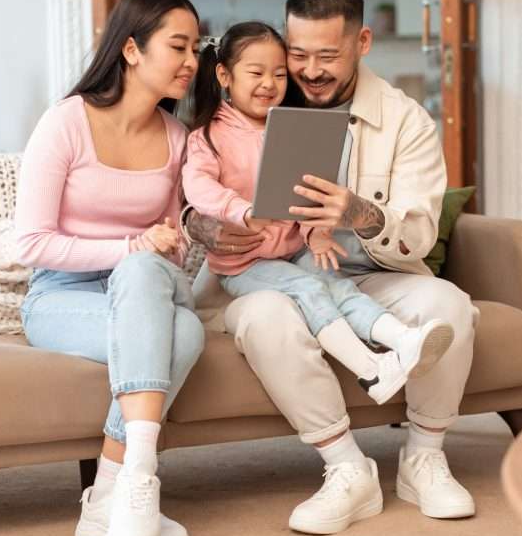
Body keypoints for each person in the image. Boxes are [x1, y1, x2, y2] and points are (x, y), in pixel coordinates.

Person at [183, 0, 479, 535]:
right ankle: (347, 468)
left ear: (362, 42)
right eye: (297, 55)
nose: (307, 72)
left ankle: (423, 458)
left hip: (373, 273)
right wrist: (202, 226)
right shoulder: (254, 96)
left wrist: (356, 213)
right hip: (268, 277)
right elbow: (186, 190)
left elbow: (416, 236)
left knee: (450, 304)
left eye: (328, 56)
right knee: (271, 316)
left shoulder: (404, 119)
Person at [14, 0, 204, 536]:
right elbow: (31, 243)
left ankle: (124, 491)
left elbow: (168, 251)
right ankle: (121, 494)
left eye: (197, 48)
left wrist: (184, 238)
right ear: (130, 49)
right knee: (187, 332)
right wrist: (129, 245)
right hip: (61, 297)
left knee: (146, 274)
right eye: (178, 46)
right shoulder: (65, 123)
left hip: (142, 288)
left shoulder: (177, 140)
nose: (192, 62)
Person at [182, 20, 454, 407]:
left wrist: (315, 234)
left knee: (334, 282)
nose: (269, 83)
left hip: (292, 248)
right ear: (224, 75)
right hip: (243, 263)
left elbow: (301, 191)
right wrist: (240, 211)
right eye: (256, 73)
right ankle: (371, 371)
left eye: (278, 74)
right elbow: (199, 188)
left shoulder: (288, 128)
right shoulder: (208, 136)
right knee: (308, 289)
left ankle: (402, 340)